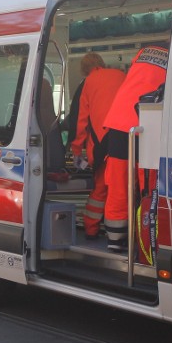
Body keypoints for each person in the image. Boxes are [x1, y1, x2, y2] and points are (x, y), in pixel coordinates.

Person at [101, 44, 168, 251]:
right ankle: (145, 241)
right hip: (145, 122)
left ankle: (115, 240)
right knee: (146, 184)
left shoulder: (143, 52)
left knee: (118, 183)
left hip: (118, 121)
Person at [68, 53, 126, 240]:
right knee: (123, 189)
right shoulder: (121, 76)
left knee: (100, 190)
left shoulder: (88, 83)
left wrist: (77, 152)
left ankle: (91, 229)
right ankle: (124, 233)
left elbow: (80, 122)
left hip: (102, 148)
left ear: (84, 71)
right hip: (128, 144)